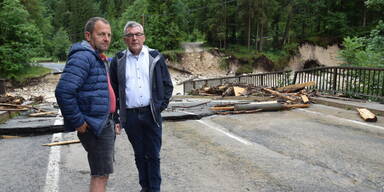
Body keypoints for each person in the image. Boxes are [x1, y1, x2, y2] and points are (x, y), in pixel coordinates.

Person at [55, 17, 120, 192]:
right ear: (88, 35)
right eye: (101, 34)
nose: (106, 38)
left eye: (108, 35)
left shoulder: (97, 57)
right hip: (94, 126)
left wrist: (114, 118)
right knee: (100, 174)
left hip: (103, 122)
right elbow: (63, 91)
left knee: (102, 173)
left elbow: (102, 90)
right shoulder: (83, 57)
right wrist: (78, 122)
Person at [110, 21, 173, 192]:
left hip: (151, 113)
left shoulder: (155, 56)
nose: (134, 38)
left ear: (144, 37)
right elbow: (113, 91)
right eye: (130, 35)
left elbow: (167, 84)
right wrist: (116, 116)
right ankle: (145, 187)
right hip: (130, 116)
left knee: (153, 154)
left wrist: (160, 106)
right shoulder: (118, 60)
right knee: (139, 154)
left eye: (138, 34)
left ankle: (154, 189)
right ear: (125, 39)